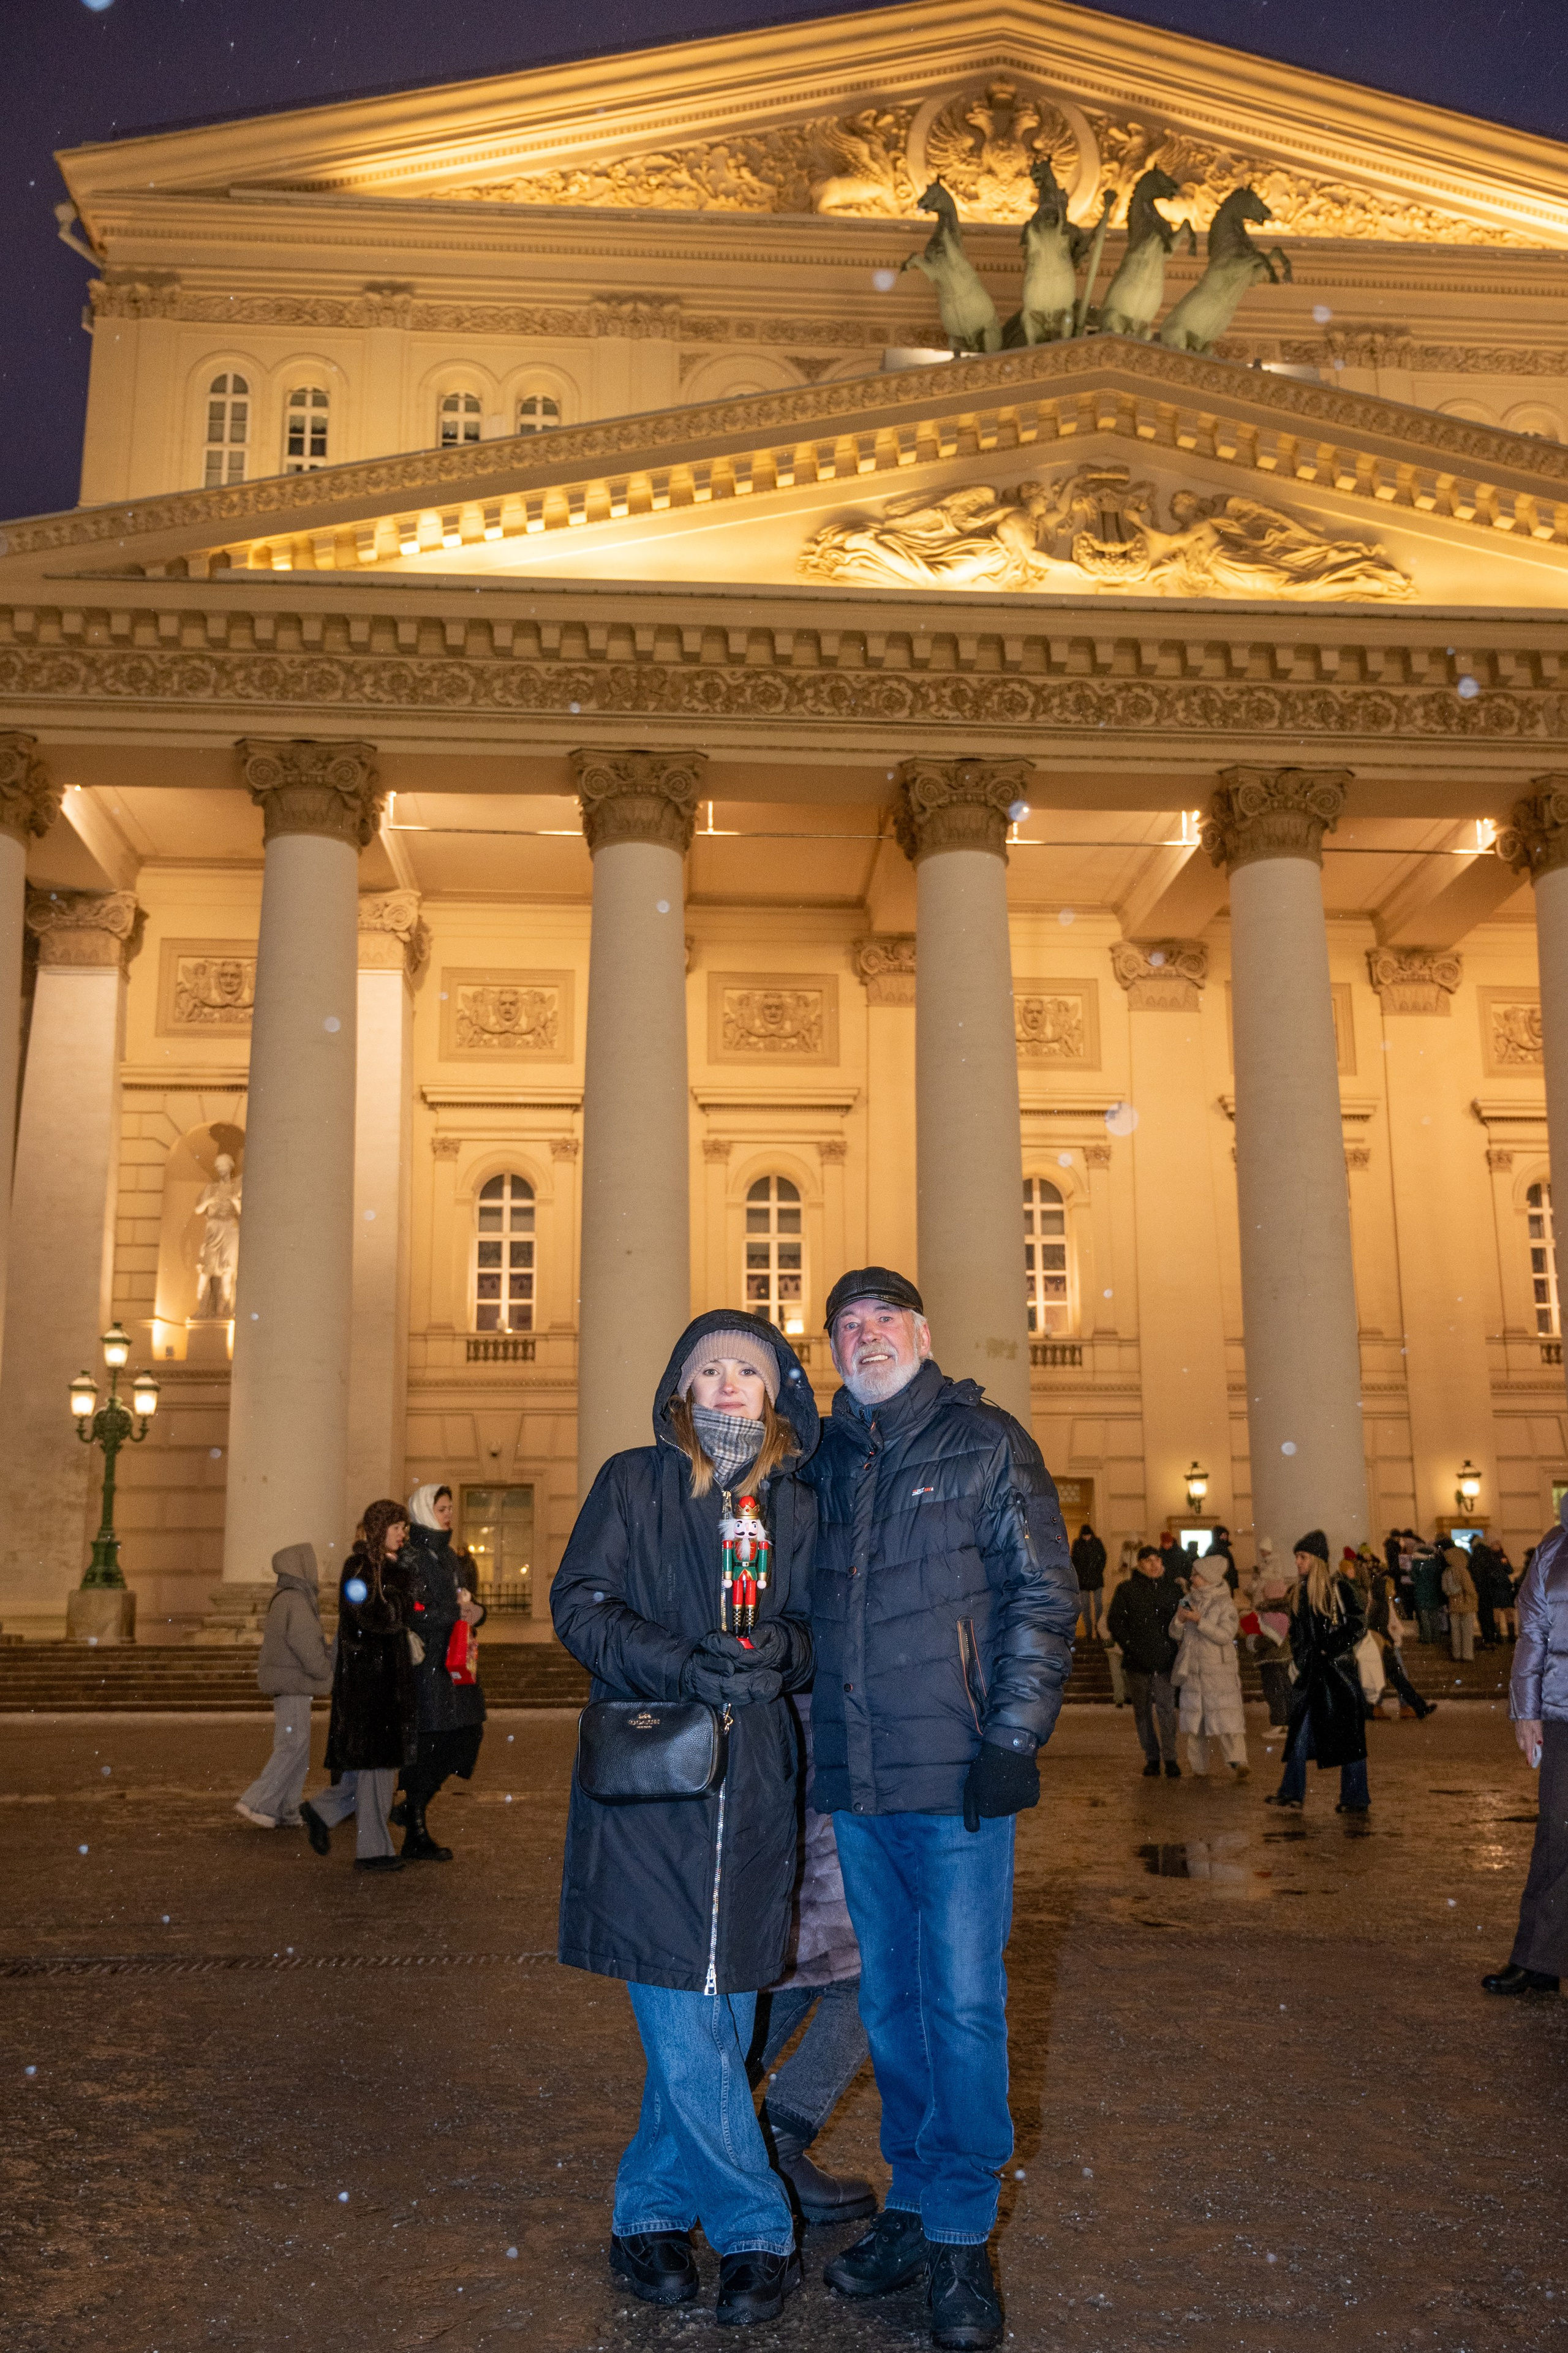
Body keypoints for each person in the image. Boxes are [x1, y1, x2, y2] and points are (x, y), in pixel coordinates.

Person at [806, 1268, 1076, 2352]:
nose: (866, 1336)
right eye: (848, 1325)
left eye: (884, 1320)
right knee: (892, 2005)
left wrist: (1012, 1737)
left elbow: (1042, 1592)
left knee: (962, 2004)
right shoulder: (823, 1459)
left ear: (922, 1334)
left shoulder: (985, 1441)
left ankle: (962, 2233)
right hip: (860, 1780)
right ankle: (916, 2203)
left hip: (958, 1776)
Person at [552, 1313, 818, 2328]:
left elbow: (820, 1624)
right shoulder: (635, 1480)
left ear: (776, 1390)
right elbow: (580, 1603)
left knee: (724, 2008)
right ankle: (755, 2225)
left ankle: (650, 2211)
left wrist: (783, 1651)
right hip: (655, 1776)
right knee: (687, 2008)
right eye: (710, 1369)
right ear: (682, 1388)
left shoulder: (797, 1499)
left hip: (755, 1783)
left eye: (748, 1368)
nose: (728, 1383)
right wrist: (680, 1662)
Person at [750, 1690, 876, 2226]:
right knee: (873, 1973)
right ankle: (773, 2143)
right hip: (813, 1734)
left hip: (770, 1735)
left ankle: (708, 2143)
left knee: (791, 1971)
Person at [302, 1500, 416, 1872]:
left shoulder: (389, 1568)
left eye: (404, 1528)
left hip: (384, 1686)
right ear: (380, 1529)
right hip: (368, 1688)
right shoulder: (359, 1568)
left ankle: (320, 1811)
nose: (403, 1535)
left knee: (368, 1772)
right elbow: (376, 1617)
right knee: (377, 1772)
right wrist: (400, 1591)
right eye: (397, 1528)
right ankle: (373, 1851)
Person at [1484, 1495, 1568, 1996]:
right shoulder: (1555, 1546)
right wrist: (1526, 1709)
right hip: (1562, 1713)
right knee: (1558, 1834)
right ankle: (1538, 1958)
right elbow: (1533, 1632)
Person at [399, 1483, 487, 1860]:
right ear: (423, 1511)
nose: (449, 1514)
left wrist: (477, 1611)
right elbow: (414, 1611)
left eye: (450, 1508)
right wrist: (454, 1612)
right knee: (431, 1742)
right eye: (442, 1509)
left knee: (468, 1734)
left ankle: (411, 1809)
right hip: (428, 1667)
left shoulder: (450, 1556)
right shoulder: (412, 1558)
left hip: (457, 1662)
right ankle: (415, 1826)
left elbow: (466, 1599)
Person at [1265, 1530, 1370, 1815]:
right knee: (1299, 1732)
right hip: (1312, 1675)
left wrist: (1329, 1648)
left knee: (1350, 1738)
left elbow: (1358, 1624)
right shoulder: (1299, 1593)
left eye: (1303, 1557)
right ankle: (1292, 1792)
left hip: (1339, 1675)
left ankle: (1355, 1797)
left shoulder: (1339, 1588)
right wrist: (1302, 1659)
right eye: (1297, 1557)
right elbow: (1297, 1635)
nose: (1297, 1562)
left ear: (1317, 1559)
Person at [235, 1541, 333, 1831]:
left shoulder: (286, 1598)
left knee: (298, 1746)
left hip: (289, 1682)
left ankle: (288, 1807)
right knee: (293, 1745)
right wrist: (324, 1670)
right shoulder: (296, 1600)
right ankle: (259, 1802)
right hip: (293, 1683)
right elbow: (306, 1644)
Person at [1170, 1552, 1248, 1780]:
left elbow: (1226, 1635)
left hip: (1219, 1672)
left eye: (1196, 1574)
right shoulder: (1188, 1600)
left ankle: (1238, 1761)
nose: (1192, 1578)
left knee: (1227, 1720)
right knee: (1195, 1724)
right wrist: (1180, 1620)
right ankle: (1198, 1767)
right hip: (1193, 1671)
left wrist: (1200, 1621)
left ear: (1209, 1578)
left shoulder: (1224, 1604)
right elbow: (1174, 1633)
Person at [1107, 1545, 1182, 1777]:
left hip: (1166, 1660)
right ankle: (1152, 1757)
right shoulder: (1127, 1590)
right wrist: (1130, 1646)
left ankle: (1170, 1758)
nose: (1154, 1564)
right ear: (1140, 1564)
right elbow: (1115, 1621)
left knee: (1166, 1710)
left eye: (1157, 1559)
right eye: (1149, 1560)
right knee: (1142, 1712)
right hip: (1137, 1662)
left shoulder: (1173, 1589)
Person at [1367, 1563, 1435, 1721]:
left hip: (1382, 1646)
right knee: (1398, 1677)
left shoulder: (1378, 1604)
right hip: (1385, 1647)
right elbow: (1380, 1627)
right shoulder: (1382, 1605)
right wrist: (1391, 1639)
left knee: (1394, 1678)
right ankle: (1411, 1707)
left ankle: (1414, 1707)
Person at [1248, 1539, 1296, 1728]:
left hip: (1273, 1658)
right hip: (1279, 1657)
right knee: (1284, 1688)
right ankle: (1287, 1722)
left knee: (1275, 1690)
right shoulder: (1282, 1611)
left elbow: (1272, 1638)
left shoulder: (1275, 1614)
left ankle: (1279, 1723)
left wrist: (1253, 1643)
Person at [1441, 1538, 1479, 1664]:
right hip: (1466, 1603)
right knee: (1467, 1631)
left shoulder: (1447, 1572)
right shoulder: (1463, 1571)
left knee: (1456, 1631)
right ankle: (1467, 1654)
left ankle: (1456, 1653)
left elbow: (1444, 1588)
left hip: (1453, 1603)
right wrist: (1475, 1598)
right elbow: (1469, 1588)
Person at [1071, 1520, 1107, 1639]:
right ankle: (1089, 1631)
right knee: (1087, 1606)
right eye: (1085, 1536)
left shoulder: (1089, 1543)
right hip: (1086, 1579)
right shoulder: (1083, 1544)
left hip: (1091, 1578)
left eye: (1088, 1536)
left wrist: (1098, 1570)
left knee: (1097, 1605)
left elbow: (1103, 1558)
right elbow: (1074, 1560)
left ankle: (1098, 1629)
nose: (1087, 1538)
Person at [1410, 1539, 1446, 1647]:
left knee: (1424, 1616)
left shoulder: (1417, 1563)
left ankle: (1427, 1637)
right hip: (1434, 1592)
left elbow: (1414, 1577)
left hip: (1421, 1592)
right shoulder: (1434, 1562)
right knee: (1434, 1615)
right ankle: (1436, 1636)